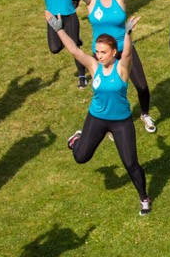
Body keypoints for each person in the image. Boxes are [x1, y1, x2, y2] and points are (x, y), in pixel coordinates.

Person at [46, 11, 150, 215]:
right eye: (97, 51)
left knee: (130, 163)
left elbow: (128, 54)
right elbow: (75, 50)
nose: (99, 55)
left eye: (103, 52)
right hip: (97, 118)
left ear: (113, 52)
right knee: (80, 157)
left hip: (120, 122)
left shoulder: (122, 68)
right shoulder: (94, 66)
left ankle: (144, 198)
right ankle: (78, 138)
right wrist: (59, 30)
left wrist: (127, 34)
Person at [75, 0, 156, 132]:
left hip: (123, 49)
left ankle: (145, 114)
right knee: (106, 91)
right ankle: (109, 124)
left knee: (142, 86)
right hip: (103, 54)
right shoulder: (92, 1)